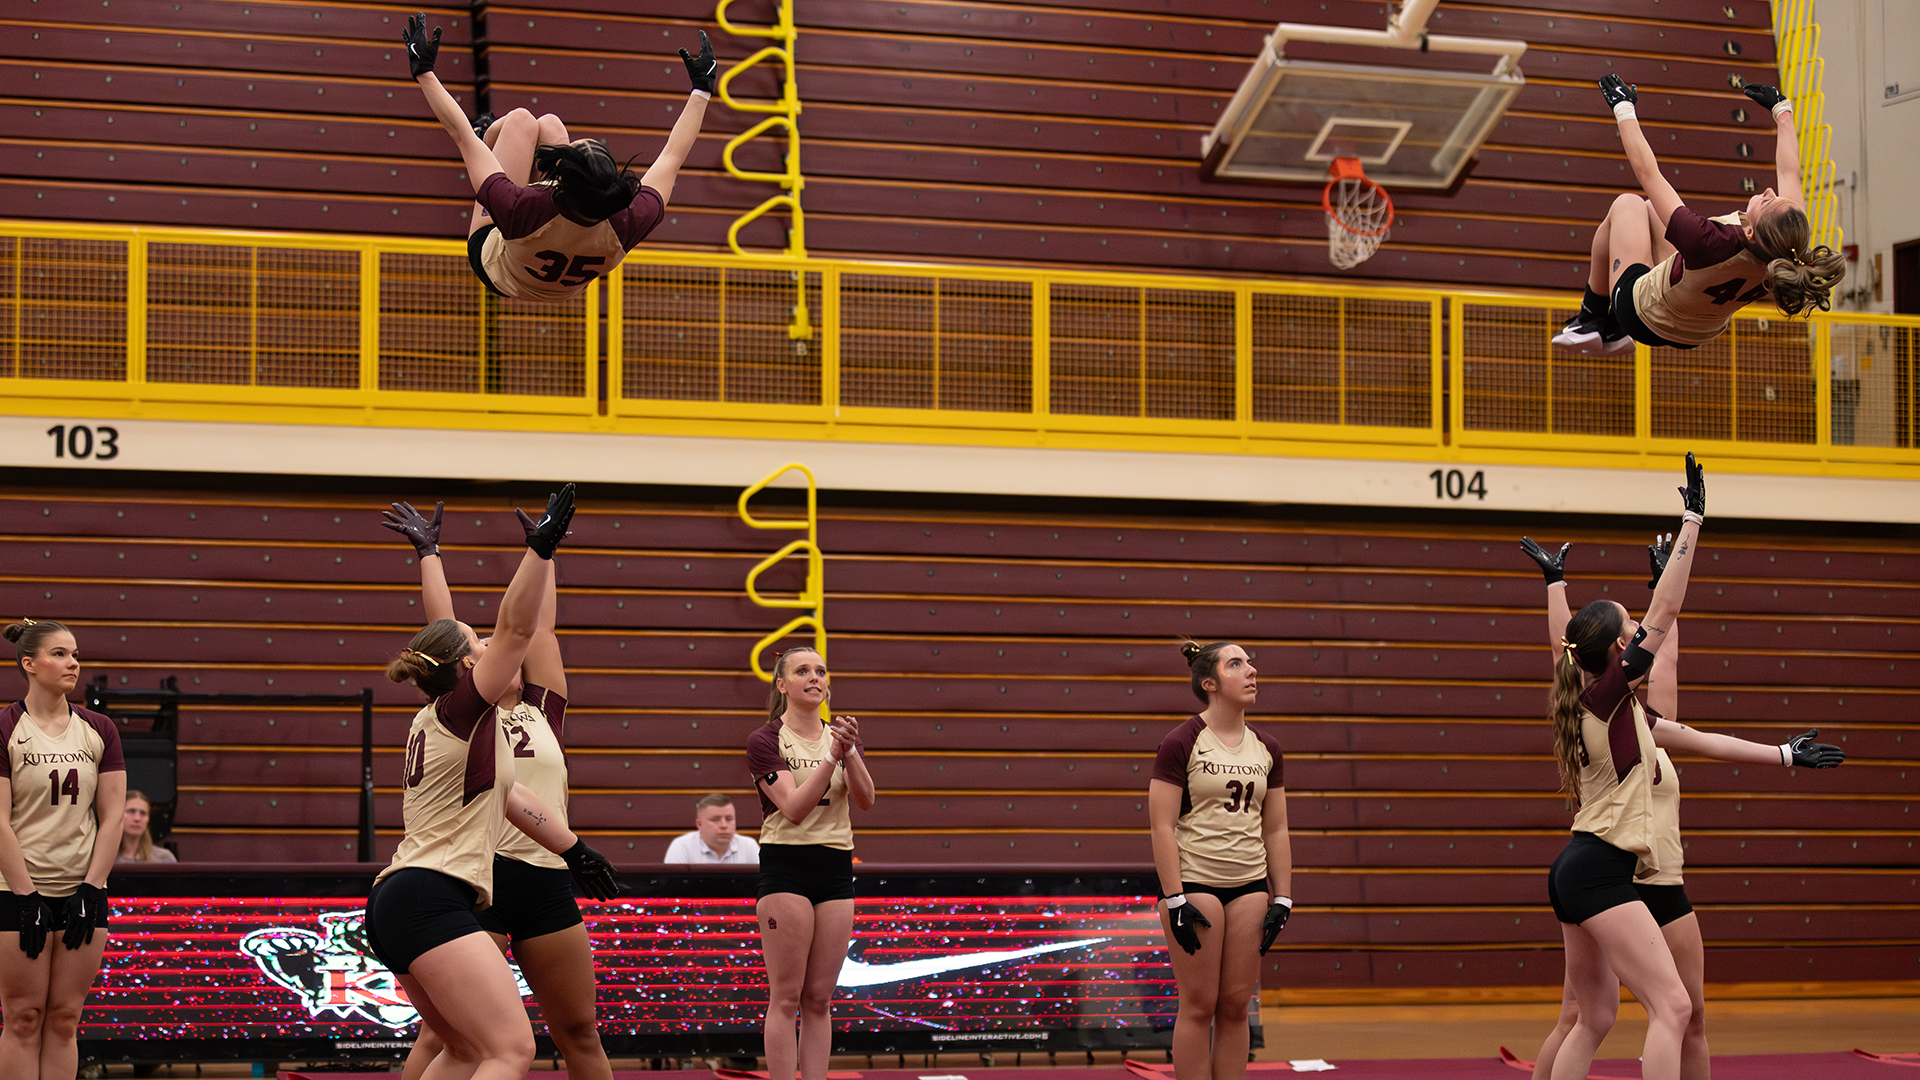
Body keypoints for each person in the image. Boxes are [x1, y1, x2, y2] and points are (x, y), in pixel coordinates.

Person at [1520, 528, 1844, 1080]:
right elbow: (1665, 610)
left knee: (1596, 1016)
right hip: (1601, 867)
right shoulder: (1606, 700)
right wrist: (1693, 521)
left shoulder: (1609, 707)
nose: (1640, 627)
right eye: (1630, 625)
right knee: (1667, 1006)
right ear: (1620, 650)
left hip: (1587, 865)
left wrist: (1785, 755)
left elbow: (1698, 734)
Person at [364, 486, 621, 1080]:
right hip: (456, 882)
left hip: (438, 884)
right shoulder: (466, 710)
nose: (490, 647)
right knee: (507, 1049)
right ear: (468, 668)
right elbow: (500, 628)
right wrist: (540, 549)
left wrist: (573, 848)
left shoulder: (489, 715)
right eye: (477, 648)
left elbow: (511, 796)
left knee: (471, 1047)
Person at [400, 12, 715, 303]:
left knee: (521, 121)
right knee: (550, 124)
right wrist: (701, 90)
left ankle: (490, 137)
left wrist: (424, 71)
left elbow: (460, 135)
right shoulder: (629, 218)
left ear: (562, 178)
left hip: (499, 267)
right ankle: (492, 141)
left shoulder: (521, 207)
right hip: (563, 282)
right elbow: (673, 156)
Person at [1554, 77, 1844, 354]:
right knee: (1652, 210)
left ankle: (1592, 318)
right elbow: (1789, 170)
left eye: (1768, 202)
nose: (1769, 191)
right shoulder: (1787, 241)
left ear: (1750, 231)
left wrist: (1623, 108)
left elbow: (1647, 172)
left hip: (1642, 319)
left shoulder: (1708, 241)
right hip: (1699, 331)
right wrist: (1782, 111)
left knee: (1628, 204)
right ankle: (1606, 327)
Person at [1148, 641, 1292, 1080]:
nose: (1251, 670)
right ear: (1209, 683)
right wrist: (1174, 899)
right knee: (1199, 1004)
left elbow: (1276, 829)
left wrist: (1282, 897)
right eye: (1236, 664)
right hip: (1195, 885)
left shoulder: (1267, 747)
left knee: (1235, 1005)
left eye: (1250, 662)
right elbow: (1161, 827)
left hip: (1250, 887)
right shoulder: (1182, 741)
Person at [0, 619, 126, 1080]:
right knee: (23, 1018)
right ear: (28, 664)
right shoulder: (5, 728)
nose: (73, 662)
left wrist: (93, 887)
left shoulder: (99, 728)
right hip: (17, 893)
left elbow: (112, 815)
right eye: (59, 653)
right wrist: (25, 895)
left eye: (74, 653)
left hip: (83, 893)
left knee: (64, 1019)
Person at [748, 647, 876, 1080]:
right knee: (786, 996)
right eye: (802, 671)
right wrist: (831, 757)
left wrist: (849, 751)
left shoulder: (840, 739)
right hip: (787, 867)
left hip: (836, 867)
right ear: (783, 685)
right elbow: (794, 809)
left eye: (821, 671)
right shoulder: (765, 740)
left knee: (819, 998)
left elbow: (867, 799)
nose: (814, 677)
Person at [664, 794, 760, 864]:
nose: (724, 825)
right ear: (699, 824)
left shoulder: (749, 847)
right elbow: (672, 890)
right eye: (715, 819)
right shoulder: (682, 847)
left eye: (729, 819)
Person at [115, 790, 175, 864]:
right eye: (131, 811)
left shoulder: (163, 858)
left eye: (143, 813)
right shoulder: (105, 859)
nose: (137, 819)